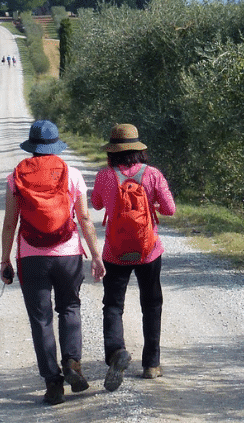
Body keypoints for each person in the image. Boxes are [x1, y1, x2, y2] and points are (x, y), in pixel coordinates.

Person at [0, 120, 105, 405]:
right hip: (68, 253)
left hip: (31, 256)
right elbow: (84, 218)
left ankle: (53, 384)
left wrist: (4, 259)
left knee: (41, 320)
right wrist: (96, 255)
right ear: (56, 144)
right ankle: (72, 363)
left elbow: (10, 223)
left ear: (32, 147)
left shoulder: (16, 176)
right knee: (70, 307)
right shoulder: (72, 173)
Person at [91, 123, 175, 391]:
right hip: (149, 250)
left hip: (115, 251)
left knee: (113, 305)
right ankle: (151, 364)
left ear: (112, 151)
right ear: (139, 150)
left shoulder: (105, 176)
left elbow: (96, 204)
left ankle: (117, 351)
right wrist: (154, 205)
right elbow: (170, 209)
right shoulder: (152, 174)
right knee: (151, 304)